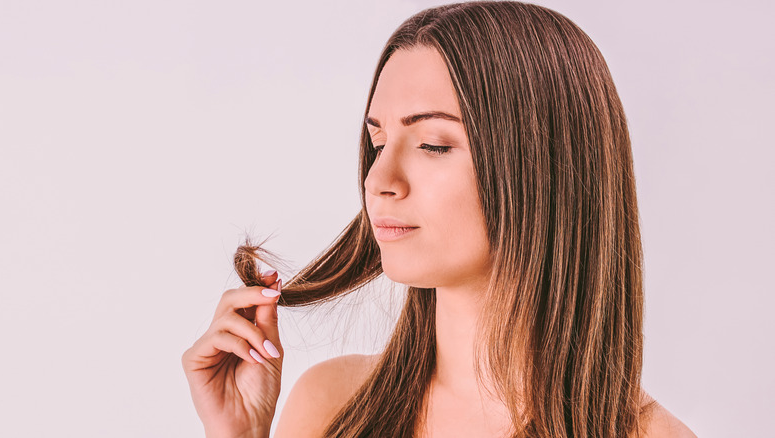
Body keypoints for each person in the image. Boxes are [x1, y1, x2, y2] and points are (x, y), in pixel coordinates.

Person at [182, 2, 697, 437]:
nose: (379, 179)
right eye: (377, 141)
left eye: (432, 144)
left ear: (544, 166)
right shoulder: (330, 407)